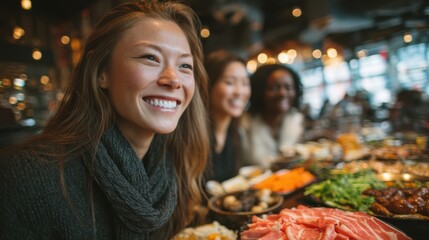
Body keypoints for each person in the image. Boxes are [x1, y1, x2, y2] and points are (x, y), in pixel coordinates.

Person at [0, 1, 209, 239]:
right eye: (150, 57)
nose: (173, 80)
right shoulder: (25, 178)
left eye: (184, 65)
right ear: (101, 72)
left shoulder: (172, 169)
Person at [203, 50, 251, 183]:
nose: (239, 92)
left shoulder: (235, 133)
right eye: (230, 82)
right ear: (208, 84)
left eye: (245, 83)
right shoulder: (191, 136)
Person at [243, 64, 304, 168]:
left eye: (288, 87)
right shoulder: (244, 124)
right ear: (260, 91)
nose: (282, 93)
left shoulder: (295, 120)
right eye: (275, 88)